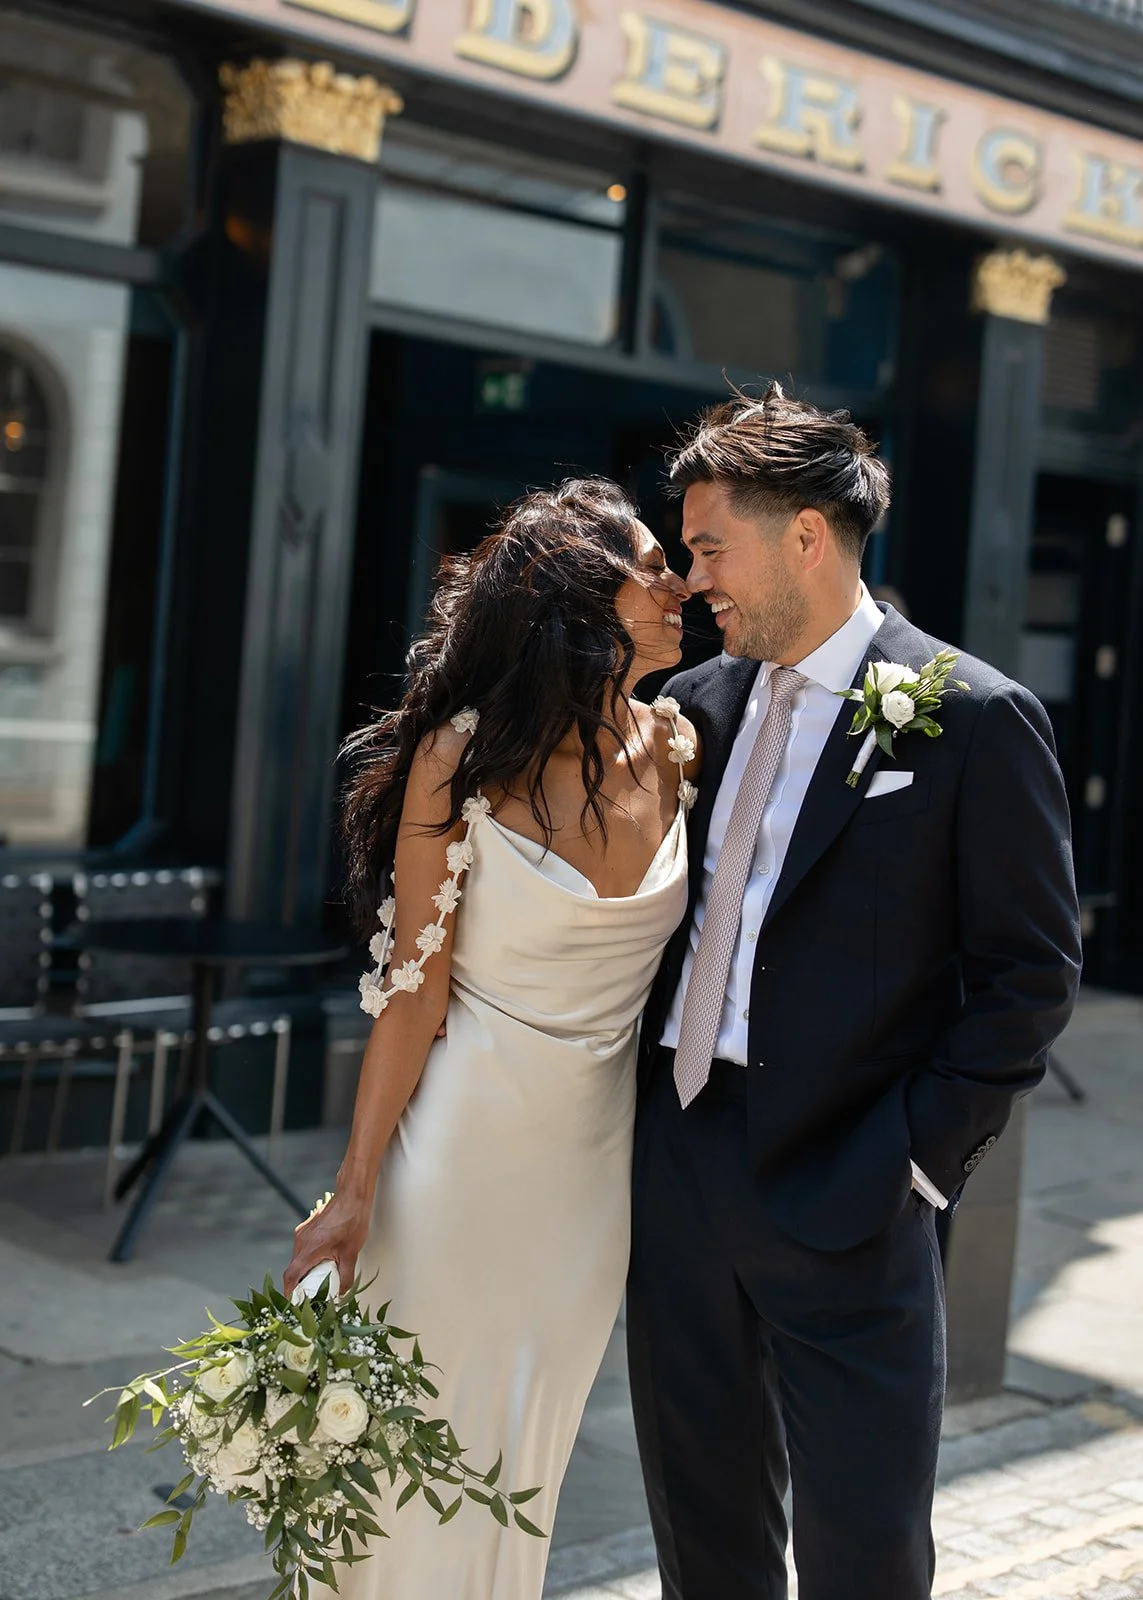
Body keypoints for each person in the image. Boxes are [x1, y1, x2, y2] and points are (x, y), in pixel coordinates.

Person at [627, 384, 1082, 1600]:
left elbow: (1030, 973)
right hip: (676, 1163)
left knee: (865, 1550)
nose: (693, 577)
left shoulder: (975, 718)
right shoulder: (689, 709)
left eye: (711, 545)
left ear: (807, 537)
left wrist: (919, 1163)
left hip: (855, 1183)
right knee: (700, 1523)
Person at [283, 479, 696, 1600]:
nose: (680, 584)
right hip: (460, 1170)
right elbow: (413, 996)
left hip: (590, 1188)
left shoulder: (678, 748)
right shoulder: (461, 760)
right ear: (577, 598)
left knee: (522, 1463)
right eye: (654, 564)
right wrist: (356, 1186)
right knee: (410, 1464)